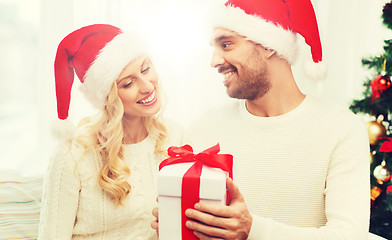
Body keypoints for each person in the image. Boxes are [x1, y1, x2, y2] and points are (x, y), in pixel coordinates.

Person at [152, 0, 370, 239]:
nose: (213, 61)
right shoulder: (204, 127)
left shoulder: (341, 129)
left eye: (226, 44)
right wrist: (178, 226)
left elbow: (349, 234)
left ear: (268, 46)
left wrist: (253, 229)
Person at [38, 24, 183, 240]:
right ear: (109, 97)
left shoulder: (174, 136)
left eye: (145, 69)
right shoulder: (73, 155)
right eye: (128, 84)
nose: (146, 86)